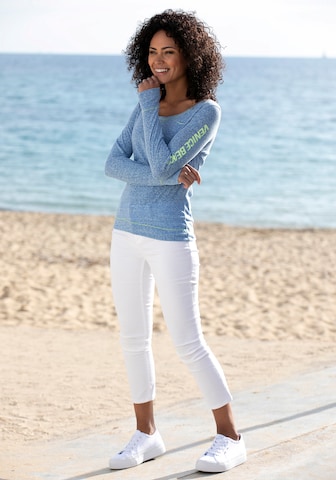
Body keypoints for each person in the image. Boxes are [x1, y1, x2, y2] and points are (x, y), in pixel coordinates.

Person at [105, 9, 246, 474]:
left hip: (170, 238)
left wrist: (160, 163)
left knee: (188, 341)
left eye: (169, 52)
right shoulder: (146, 103)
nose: (159, 61)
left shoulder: (206, 112)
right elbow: (113, 163)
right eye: (152, 52)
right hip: (125, 232)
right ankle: (146, 434)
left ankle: (230, 437)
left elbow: (162, 168)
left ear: (190, 56)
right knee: (133, 339)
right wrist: (164, 175)